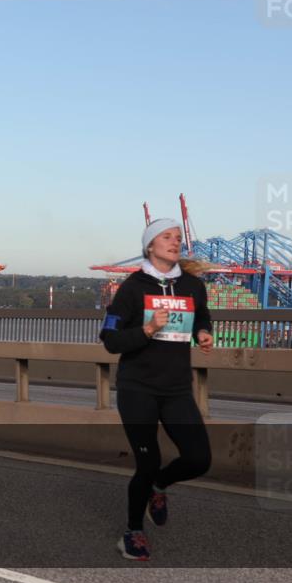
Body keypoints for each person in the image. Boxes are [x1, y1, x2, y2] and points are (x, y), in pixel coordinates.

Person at [100, 218, 214, 562]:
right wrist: (148, 329)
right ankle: (133, 532)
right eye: (166, 237)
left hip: (177, 388)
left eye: (178, 237)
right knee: (147, 461)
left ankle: (158, 487)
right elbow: (110, 339)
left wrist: (203, 333)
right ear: (149, 245)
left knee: (199, 459)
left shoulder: (193, 286)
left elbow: (202, 315)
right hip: (138, 389)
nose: (174, 241)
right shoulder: (133, 288)